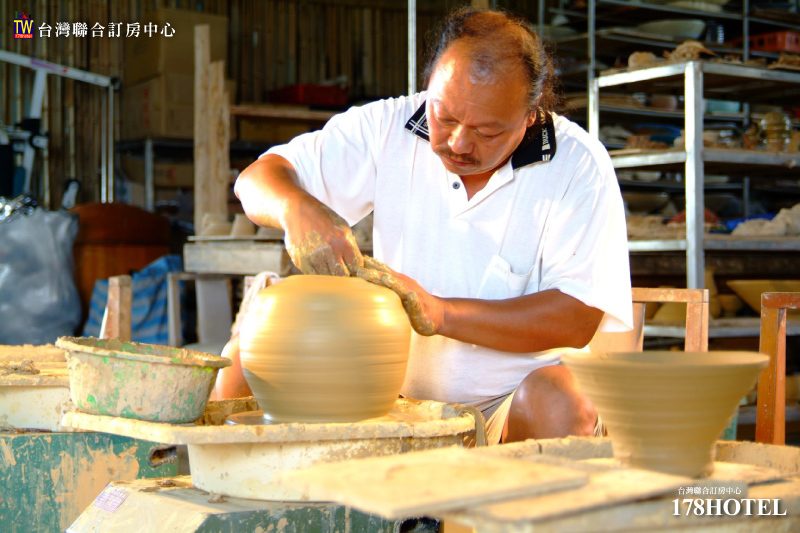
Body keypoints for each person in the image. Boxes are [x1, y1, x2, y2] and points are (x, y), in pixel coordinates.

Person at [229, 7, 632, 444]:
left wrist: (440, 313)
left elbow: (575, 318)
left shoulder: (577, 164)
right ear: (430, 86)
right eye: (446, 118)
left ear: (530, 114)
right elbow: (256, 180)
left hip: (507, 409)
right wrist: (297, 209)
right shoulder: (390, 126)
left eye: (487, 132)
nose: (459, 143)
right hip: (392, 402)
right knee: (243, 360)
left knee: (560, 400)